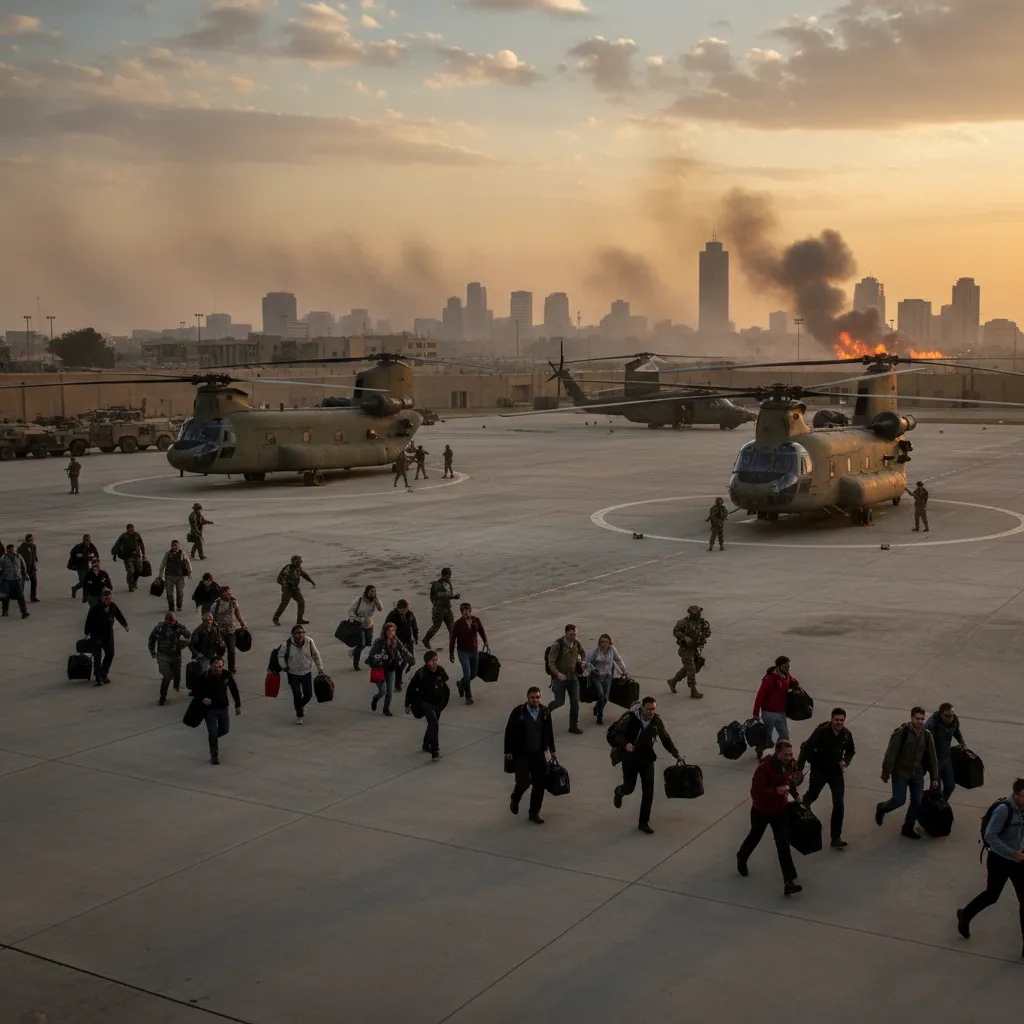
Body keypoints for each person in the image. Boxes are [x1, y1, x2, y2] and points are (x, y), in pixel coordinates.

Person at [957, 778, 1024, 957]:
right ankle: (965, 914)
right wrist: (1012, 853)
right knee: (992, 895)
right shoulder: (1004, 810)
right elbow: (990, 836)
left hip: (1019, 861)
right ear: (1016, 794)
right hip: (1000, 860)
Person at [609, 696, 684, 834]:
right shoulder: (630, 719)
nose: (651, 712)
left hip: (647, 760)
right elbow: (616, 735)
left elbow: (665, 739)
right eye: (648, 709)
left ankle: (643, 822)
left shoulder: (656, 721)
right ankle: (619, 792)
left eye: (653, 709)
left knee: (649, 792)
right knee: (629, 788)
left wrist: (677, 755)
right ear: (642, 708)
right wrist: (626, 744)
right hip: (630, 760)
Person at [737, 738, 802, 895]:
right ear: (777, 753)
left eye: (790, 754)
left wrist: (795, 795)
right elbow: (755, 790)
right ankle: (742, 856)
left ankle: (789, 881)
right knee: (755, 836)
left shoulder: (790, 764)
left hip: (779, 811)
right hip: (761, 810)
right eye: (785, 754)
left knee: (783, 844)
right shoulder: (765, 767)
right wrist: (776, 791)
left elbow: (790, 781)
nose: (788, 757)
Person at [875, 706, 939, 839]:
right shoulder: (901, 732)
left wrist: (935, 778)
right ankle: (882, 808)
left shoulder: (926, 735)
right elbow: (891, 753)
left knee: (917, 801)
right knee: (898, 800)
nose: (920, 721)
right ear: (911, 718)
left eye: (922, 719)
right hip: (901, 773)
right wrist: (886, 771)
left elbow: (932, 758)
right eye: (917, 718)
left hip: (917, 774)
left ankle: (908, 827)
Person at [798, 708, 856, 849]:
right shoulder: (821, 732)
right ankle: (801, 809)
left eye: (842, 720)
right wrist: (798, 769)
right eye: (836, 720)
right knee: (813, 795)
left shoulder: (846, 734)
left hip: (836, 773)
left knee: (839, 804)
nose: (839, 723)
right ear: (831, 719)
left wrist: (845, 762)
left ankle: (836, 837)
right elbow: (806, 748)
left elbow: (850, 751)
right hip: (819, 770)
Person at [505, 686, 557, 824]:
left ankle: (534, 812)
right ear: (527, 698)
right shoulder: (518, 712)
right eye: (533, 697)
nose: (535, 700)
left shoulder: (545, 712)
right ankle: (516, 797)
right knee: (523, 782)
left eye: (538, 697)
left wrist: (552, 751)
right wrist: (508, 751)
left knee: (540, 784)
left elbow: (549, 733)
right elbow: (509, 732)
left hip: (538, 753)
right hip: (522, 754)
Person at [192, 656, 241, 764]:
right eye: (216, 667)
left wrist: (238, 705)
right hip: (210, 711)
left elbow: (233, 688)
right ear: (211, 665)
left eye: (220, 666)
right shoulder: (204, 677)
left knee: (225, 729)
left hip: (223, 708)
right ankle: (214, 754)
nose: (219, 669)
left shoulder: (226, 675)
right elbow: (195, 691)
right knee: (213, 732)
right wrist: (202, 699)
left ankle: (212, 739)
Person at [405, 649, 449, 759]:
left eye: (436, 660)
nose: (434, 662)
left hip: (437, 703)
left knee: (432, 725)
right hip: (425, 702)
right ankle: (435, 750)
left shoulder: (440, 671)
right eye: (432, 660)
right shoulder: (421, 673)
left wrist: (444, 699)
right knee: (434, 723)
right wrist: (407, 704)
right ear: (426, 662)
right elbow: (411, 688)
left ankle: (425, 744)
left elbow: (444, 685)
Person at [277, 624, 325, 725]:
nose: (301, 635)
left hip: (306, 672)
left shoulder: (309, 642)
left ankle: (301, 705)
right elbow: (280, 656)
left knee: (308, 694)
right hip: (293, 674)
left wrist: (320, 669)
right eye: (298, 633)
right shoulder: (286, 645)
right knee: (297, 694)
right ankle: (299, 715)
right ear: (293, 634)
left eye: (302, 632)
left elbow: (316, 655)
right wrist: (283, 666)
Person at [546, 623, 587, 735]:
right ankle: (545, 712)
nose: (574, 636)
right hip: (560, 679)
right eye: (571, 634)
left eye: (575, 634)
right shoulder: (558, 644)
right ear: (566, 633)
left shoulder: (576, 643)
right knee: (559, 702)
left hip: (573, 678)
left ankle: (573, 726)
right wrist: (558, 674)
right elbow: (551, 662)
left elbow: (583, 653)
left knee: (575, 703)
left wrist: (583, 662)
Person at [752, 656, 796, 758]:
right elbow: (760, 695)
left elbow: (792, 679)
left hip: (781, 712)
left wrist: (795, 683)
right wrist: (755, 712)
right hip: (769, 713)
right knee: (767, 738)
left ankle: (778, 754)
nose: (788, 668)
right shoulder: (769, 679)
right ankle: (760, 749)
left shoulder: (786, 676)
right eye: (785, 666)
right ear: (779, 667)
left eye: (788, 666)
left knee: (785, 736)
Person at [367, 621, 413, 716]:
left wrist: (411, 658)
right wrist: (380, 656)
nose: (391, 633)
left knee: (390, 691)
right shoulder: (378, 642)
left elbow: (403, 649)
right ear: (384, 631)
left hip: (390, 669)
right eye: (388, 630)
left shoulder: (395, 640)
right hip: (379, 669)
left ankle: (386, 709)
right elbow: (371, 655)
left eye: (393, 630)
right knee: (382, 691)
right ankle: (376, 698)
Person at [84, 589, 129, 684]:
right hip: (96, 635)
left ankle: (103, 673)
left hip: (108, 635)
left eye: (109, 598)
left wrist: (125, 625)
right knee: (97, 657)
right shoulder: (95, 608)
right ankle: (98, 677)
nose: (107, 601)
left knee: (110, 654)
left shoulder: (113, 606)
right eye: (106, 599)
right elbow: (89, 620)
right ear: (102, 598)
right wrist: (87, 633)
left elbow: (118, 615)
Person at [148, 611, 191, 705]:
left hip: (175, 655)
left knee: (177, 673)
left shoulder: (180, 628)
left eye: (172, 621)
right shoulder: (159, 627)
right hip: (162, 655)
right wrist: (152, 651)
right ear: (165, 620)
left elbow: (189, 637)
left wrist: (183, 641)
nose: (171, 623)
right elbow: (152, 638)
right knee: (167, 675)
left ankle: (176, 685)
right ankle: (163, 696)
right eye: (169, 621)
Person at [449, 602, 488, 706]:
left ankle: (460, 683)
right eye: (464, 612)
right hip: (463, 652)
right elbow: (452, 639)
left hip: (474, 651)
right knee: (467, 674)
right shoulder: (457, 624)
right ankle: (468, 696)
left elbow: (481, 630)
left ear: (470, 611)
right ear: (461, 613)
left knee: (474, 674)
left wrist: (486, 641)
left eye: (467, 611)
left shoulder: (476, 620)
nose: (466, 613)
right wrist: (451, 653)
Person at [925, 702, 966, 801]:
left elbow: (956, 731)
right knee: (936, 788)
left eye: (951, 715)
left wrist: (962, 742)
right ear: (940, 714)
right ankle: (931, 805)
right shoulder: (931, 725)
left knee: (950, 786)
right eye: (947, 716)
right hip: (935, 760)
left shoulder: (954, 720)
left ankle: (941, 804)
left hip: (945, 756)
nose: (949, 718)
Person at [668, 604, 710, 699]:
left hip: (695, 649)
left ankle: (673, 681)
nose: (697, 615)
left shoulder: (702, 622)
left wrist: (703, 635)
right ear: (690, 614)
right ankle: (693, 690)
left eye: (698, 613)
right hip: (685, 649)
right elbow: (676, 631)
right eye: (695, 614)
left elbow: (708, 632)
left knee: (690, 668)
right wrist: (684, 637)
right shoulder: (684, 622)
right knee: (691, 668)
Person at [585, 632, 627, 726]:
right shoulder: (595, 652)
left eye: (606, 642)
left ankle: (597, 708)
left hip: (607, 676)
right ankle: (600, 715)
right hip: (597, 676)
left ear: (609, 643)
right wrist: (593, 670)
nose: (604, 644)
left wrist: (624, 671)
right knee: (600, 695)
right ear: (599, 643)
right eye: (602, 642)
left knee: (605, 698)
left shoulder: (612, 650)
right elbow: (588, 663)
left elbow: (618, 660)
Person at [210, 585, 247, 674]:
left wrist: (243, 624)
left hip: (231, 631)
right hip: (220, 632)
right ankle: (217, 668)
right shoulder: (216, 604)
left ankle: (231, 669)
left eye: (230, 592)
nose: (229, 594)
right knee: (220, 652)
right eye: (227, 592)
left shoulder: (233, 602)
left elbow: (238, 613)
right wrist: (212, 629)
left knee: (231, 651)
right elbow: (211, 617)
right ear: (222, 593)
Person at [348, 584, 384, 671]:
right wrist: (357, 619)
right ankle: (356, 664)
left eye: (375, 591)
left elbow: (381, 609)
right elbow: (350, 611)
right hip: (359, 626)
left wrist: (377, 600)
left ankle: (353, 651)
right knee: (362, 644)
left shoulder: (375, 601)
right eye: (372, 591)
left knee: (368, 643)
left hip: (369, 625)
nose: (373, 593)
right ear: (367, 592)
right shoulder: (359, 600)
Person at [385, 599, 419, 691]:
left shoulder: (410, 614)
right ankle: (397, 685)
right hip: (396, 642)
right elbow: (386, 628)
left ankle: (397, 678)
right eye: (404, 609)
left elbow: (414, 627)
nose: (405, 610)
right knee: (398, 663)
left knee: (408, 660)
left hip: (408, 641)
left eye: (407, 608)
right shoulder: (392, 615)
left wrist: (416, 637)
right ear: (399, 608)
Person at [273, 555, 315, 627]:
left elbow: (303, 574)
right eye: (299, 560)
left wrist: (311, 581)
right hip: (287, 590)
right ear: (295, 561)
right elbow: (279, 579)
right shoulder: (287, 568)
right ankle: (275, 618)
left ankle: (299, 619)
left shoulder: (298, 568)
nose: (301, 562)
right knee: (284, 604)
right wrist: (286, 586)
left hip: (295, 589)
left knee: (301, 602)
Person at [422, 567, 458, 648]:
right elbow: (445, 596)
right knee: (442, 627)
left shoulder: (436, 584)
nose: (450, 576)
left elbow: (432, 597)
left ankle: (451, 645)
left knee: (445, 627)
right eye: (449, 575)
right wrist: (454, 597)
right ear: (446, 575)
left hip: (441, 608)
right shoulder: (444, 584)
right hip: (443, 609)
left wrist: (435, 604)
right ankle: (426, 640)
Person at [157, 539, 193, 613]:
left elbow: (188, 562)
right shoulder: (168, 554)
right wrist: (160, 576)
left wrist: (190, 572)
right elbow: (162, 564)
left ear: (179, 546)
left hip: (180, 577)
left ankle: (179, 606)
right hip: (169, 577)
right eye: (173, 545)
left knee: (180, 592)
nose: (175, 547)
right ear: (171, 546)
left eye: (176, 545)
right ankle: (171, 607)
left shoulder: (182, 553)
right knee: (169, 593)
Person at [110, 524, 146, 592]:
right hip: (127, 557)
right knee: (131, 571)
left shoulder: (137, 535)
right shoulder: (124, 536)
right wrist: (114, 554)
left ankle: (134, 581)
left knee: (139, 569)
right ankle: (130, 585)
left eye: (132, 528)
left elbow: (141, 544)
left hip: (137, 556)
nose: (131, 529)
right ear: (127, 529)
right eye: (130, 528)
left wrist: (143, 554)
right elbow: (117, 544)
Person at [0, 543, 29, 618]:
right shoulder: (3, 558)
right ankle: (5, 610)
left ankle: (24, 612)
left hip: (17, 579)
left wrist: (25, 574)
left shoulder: (18, 556)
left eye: (13, 549)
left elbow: (23, 565)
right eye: (11, 549)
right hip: (7, 580)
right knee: (6, 596)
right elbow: (0, 568)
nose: (13, 551)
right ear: (7, 550)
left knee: (20, 596)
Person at [68, 534, 98, 601]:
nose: (88, 541)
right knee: (83, 582)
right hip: (79, 567)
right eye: (87, 540)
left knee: (84, 582)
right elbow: (72, 553)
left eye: (89, 540)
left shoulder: (91, 546)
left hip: (86, 567)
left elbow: (96, 554)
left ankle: (80, 593)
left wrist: (93, 559)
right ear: (84, 540)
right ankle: (78, 591)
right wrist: (77, 557)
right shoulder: (79, 546)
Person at [17, 534, 39, 603]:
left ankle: (33, 597)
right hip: (24, 569)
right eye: (32, 539)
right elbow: (18, 558)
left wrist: (35, 559)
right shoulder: (22, 547)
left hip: (32, 568)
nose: (33, 540)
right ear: (28, 540)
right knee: (22, 584)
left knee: (34, 582)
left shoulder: (34, 546)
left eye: (33, 539)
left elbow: (34, 555)